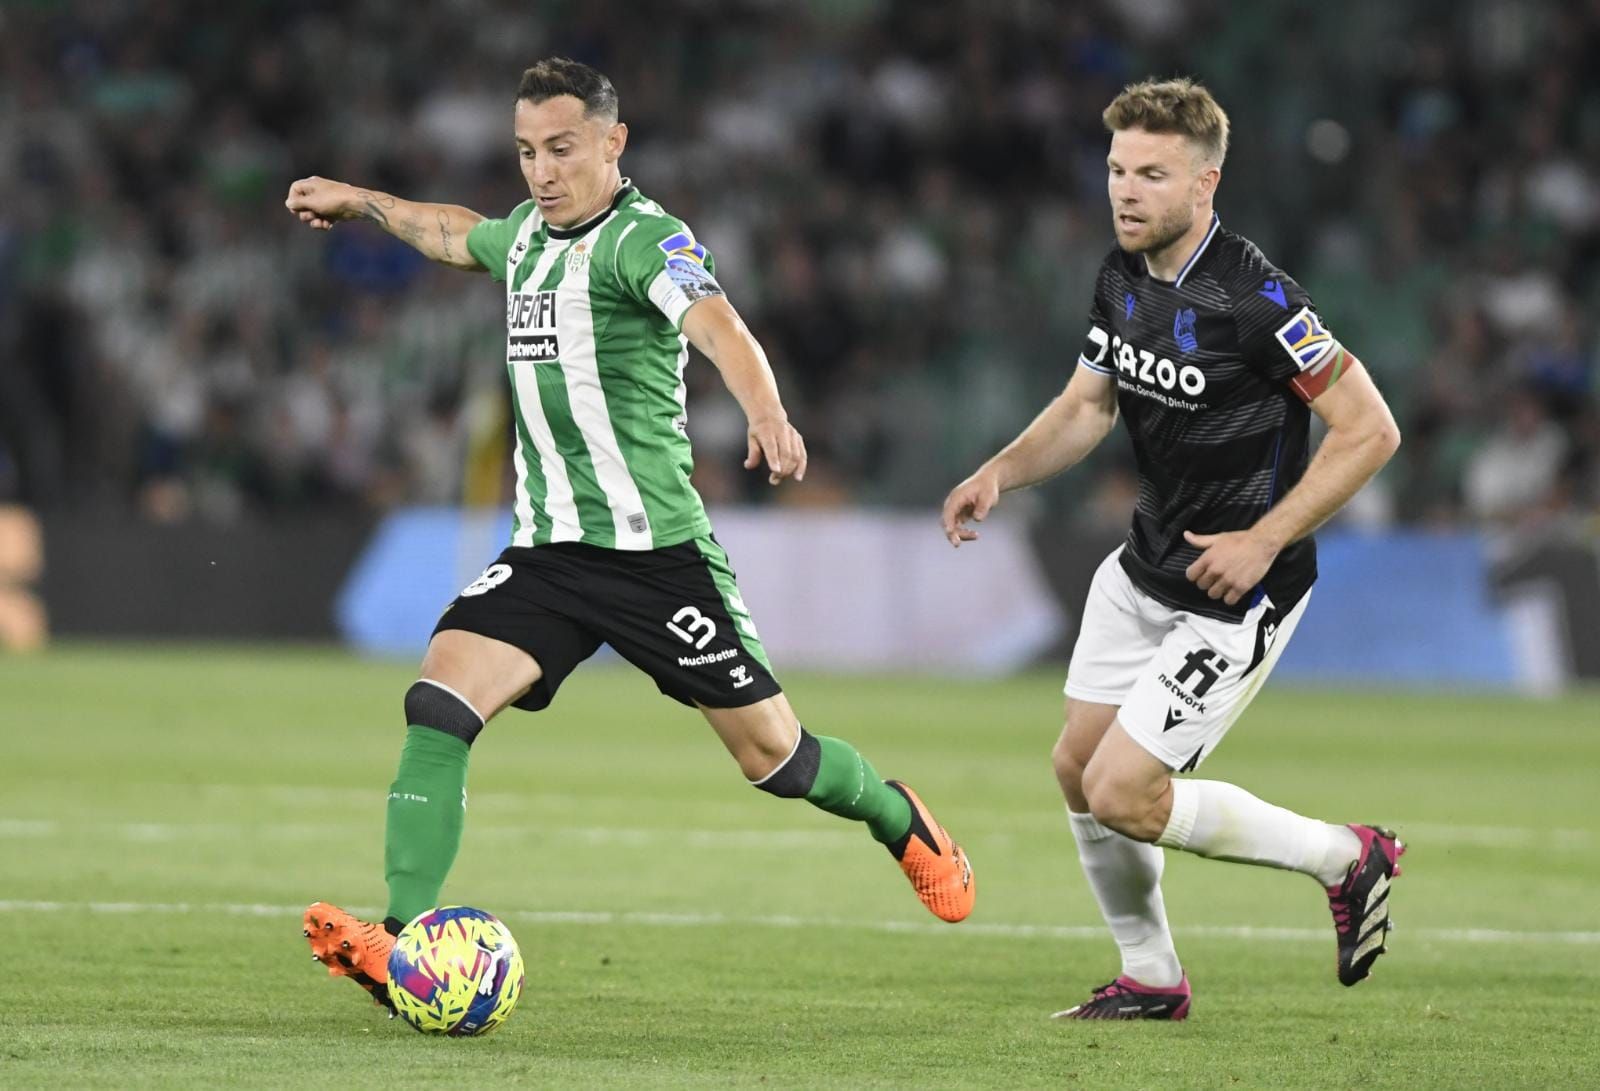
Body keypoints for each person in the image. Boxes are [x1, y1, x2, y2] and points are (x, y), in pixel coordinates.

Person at [287, 57, 973, 1013]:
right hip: (548, 554)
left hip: (657, 561)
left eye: (562, 149)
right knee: (439, 697)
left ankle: (901, 819)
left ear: (613, 143)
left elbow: (720, 327)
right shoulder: (525, 236)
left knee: (778, 760)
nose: (542, 171)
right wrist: (363, 201)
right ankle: (401, 940)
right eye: (527, 152)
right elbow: (453, 232)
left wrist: (767, 412)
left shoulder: (645, 240)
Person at [941, 78, 1404, 1021]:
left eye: (1151, 173)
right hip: (1143, 566)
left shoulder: (1257, 298)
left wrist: (1264, 538)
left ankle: (1348, 856)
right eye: (1118, 169)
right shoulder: (1120, 276)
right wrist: (1002, 471)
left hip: (1237, 592)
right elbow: (1088, 406)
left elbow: (1371, 429)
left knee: (1122, 789)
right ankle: (1150, 977)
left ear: (1205, 183)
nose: (1125, 190)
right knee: (1077, 768)